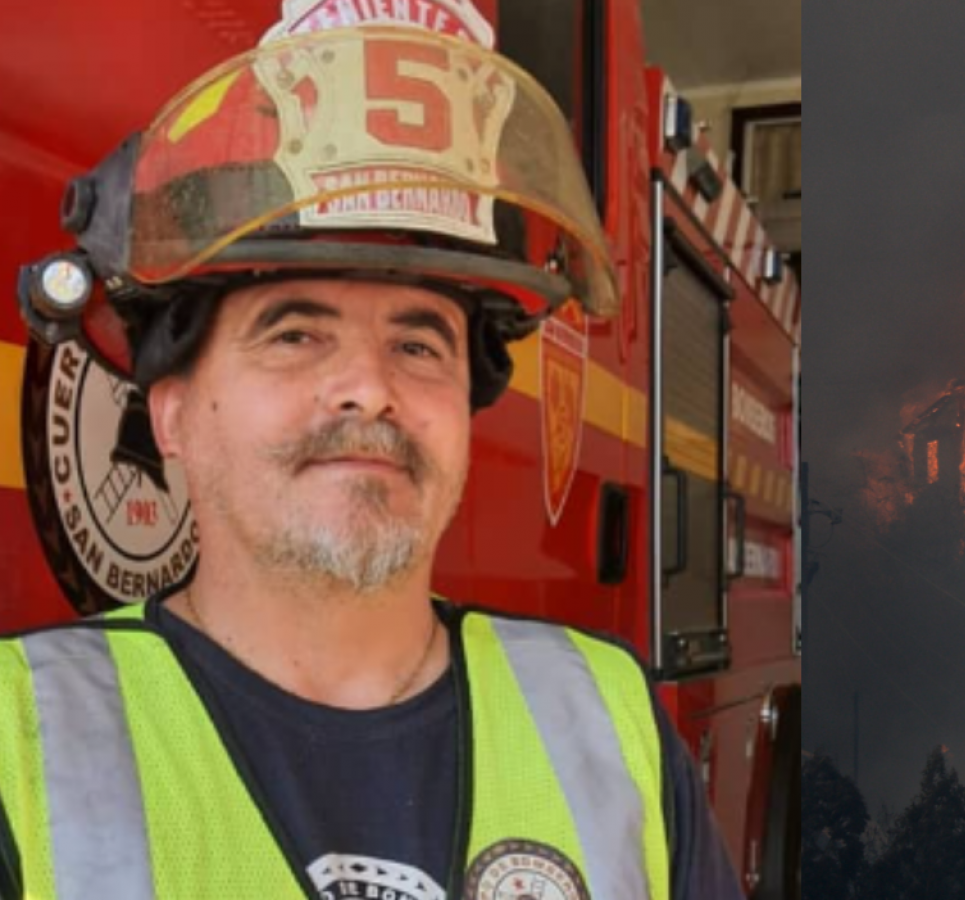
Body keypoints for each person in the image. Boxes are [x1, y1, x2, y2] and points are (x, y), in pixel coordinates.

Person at [0, 4, 744, 899]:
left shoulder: (611, 719)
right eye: (294, 335)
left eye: (419, 344)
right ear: (172, 418)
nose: (368, 388)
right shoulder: (20, 739)